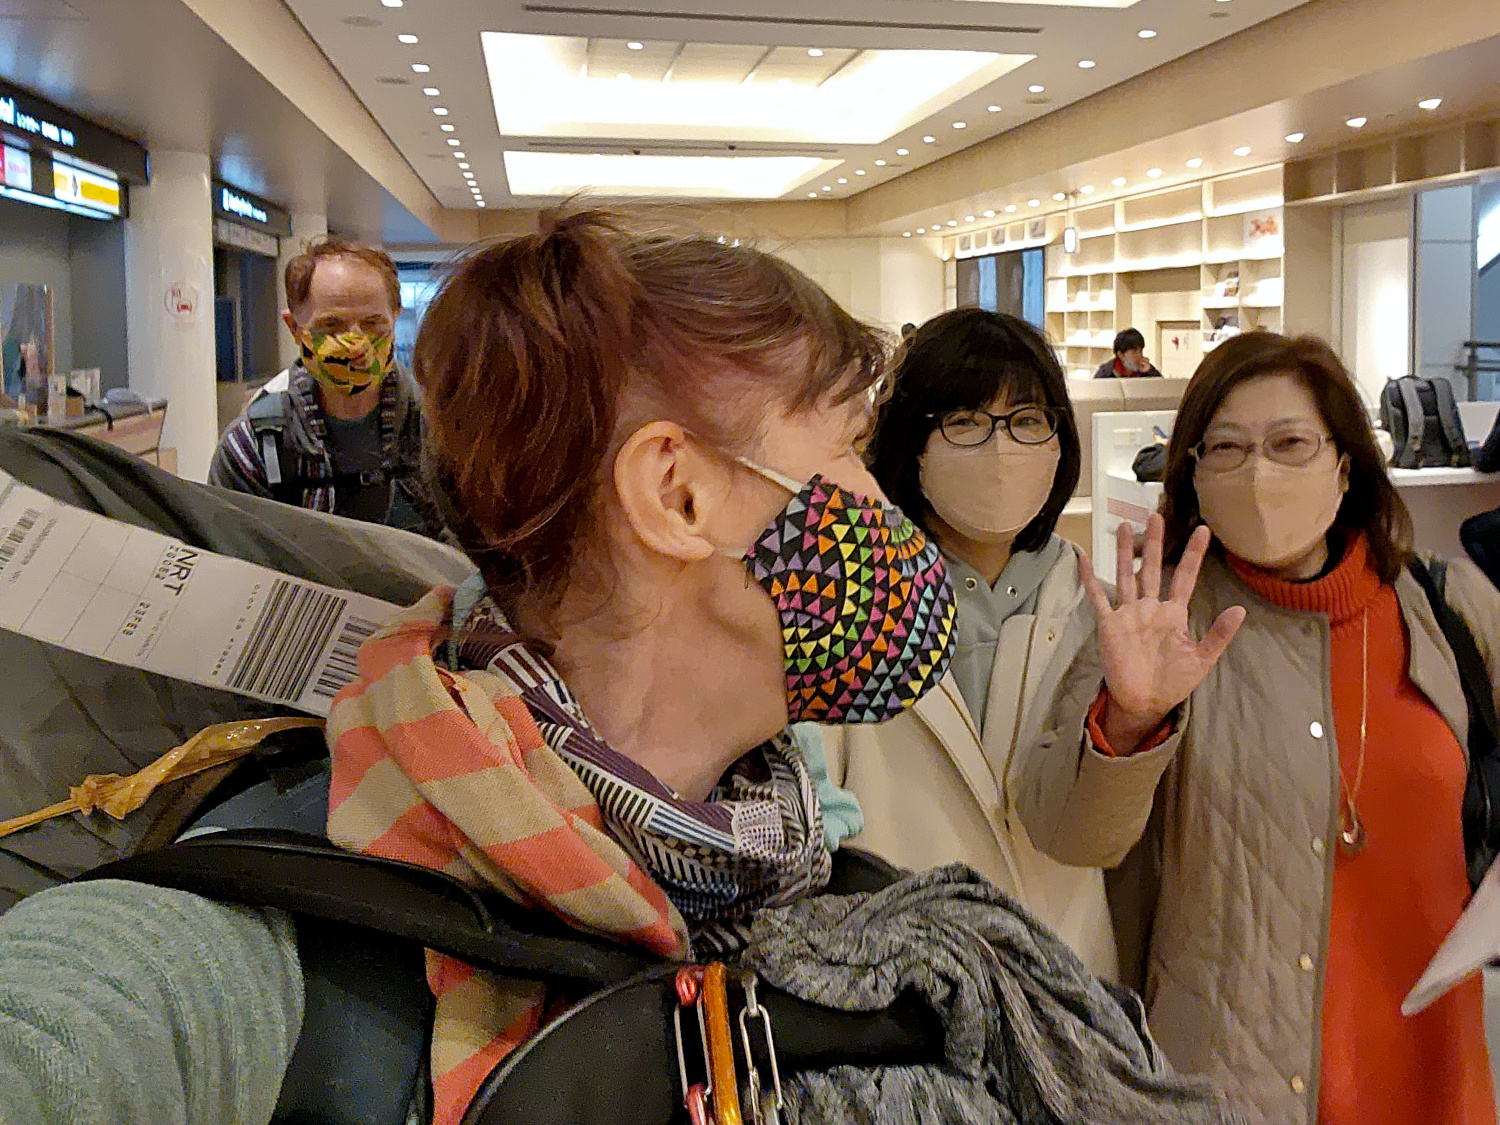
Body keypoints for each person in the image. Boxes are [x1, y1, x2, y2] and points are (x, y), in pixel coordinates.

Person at [0, 210, 963, 1124]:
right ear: (677, 495)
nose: (880, 504)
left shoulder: (782, 841)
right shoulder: (258, 941)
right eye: (850, 447)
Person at [1015, 331, 1500, 1125]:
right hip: (1231, 1084)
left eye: (1290, 443)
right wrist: (1129, 721)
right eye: (1228, 448)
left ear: (1345, 464)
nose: (1259, 473)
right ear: (1195, 473)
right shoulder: (1154, 625)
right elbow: (1068, 832)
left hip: (1435, 1073)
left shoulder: (1449, 610)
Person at [819, 307, 1117, 978]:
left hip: (1068, 980)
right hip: (900, 979)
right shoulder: (845, 601)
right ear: (913, 442)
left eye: (1027, 421)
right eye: (964, 421)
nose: (1001, 449)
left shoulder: (1098, 610)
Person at [209, 236, 435, 535]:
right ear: (295, 328)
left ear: (395, 318)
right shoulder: (254, 448)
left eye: (372, 323)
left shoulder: (441, 431)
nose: (356, 345)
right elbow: (229, 550)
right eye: (332, 325)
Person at [1095, 327, 1163, 379]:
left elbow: (1163, 389)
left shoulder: (1146, 369)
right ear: (1121, 354)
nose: (1139, 355)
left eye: (1141, 351)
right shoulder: (1106, 373)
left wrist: (1150, 373)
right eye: (1134, 351)